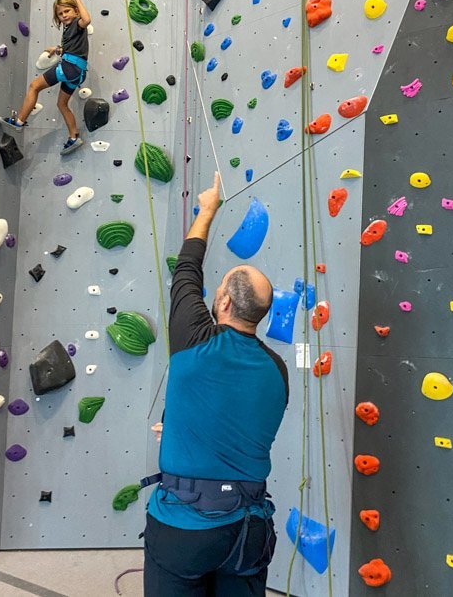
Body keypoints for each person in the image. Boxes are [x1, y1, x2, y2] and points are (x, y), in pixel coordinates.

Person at [143, 172, 288, 596]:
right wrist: (183, 426)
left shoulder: (195, 343)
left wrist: (208, 209)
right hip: (248, 529)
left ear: (222, 302)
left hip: (184, 530)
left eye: (221, 288)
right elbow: (237, 421)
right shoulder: (276, 369)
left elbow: (186, 269)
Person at [0, 0, 91, 156]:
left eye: (67, 11)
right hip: (78, 72)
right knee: (62, 104)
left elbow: (87, 19)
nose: (64, 15)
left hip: (70, 67)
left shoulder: (78, 24)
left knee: (34, 86)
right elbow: (73, 48)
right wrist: (57, 49)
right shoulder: (70, 30)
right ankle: (73, 137)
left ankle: (19, 122)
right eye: (61, 14)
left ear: (76, 11)